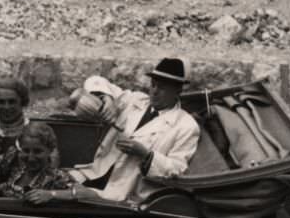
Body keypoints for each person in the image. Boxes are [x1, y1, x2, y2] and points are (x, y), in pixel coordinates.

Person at [67, 57, 200, 202]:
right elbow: (94, 80)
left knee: (70, 198)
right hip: (95, 174)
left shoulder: (186, 126)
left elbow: (177, 171)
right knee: (55, 185)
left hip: (128, 191)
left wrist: (146, 155)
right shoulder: (134, 101)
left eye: (161, 87)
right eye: (153, 85)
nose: (154, 92)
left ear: (177, 90)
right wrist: (108, 99)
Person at [0, 122, 89, 203]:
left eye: (38, 151)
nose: (31, 157)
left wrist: (50, 195)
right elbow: (9, 184)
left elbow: (89, 194)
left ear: (50, 151)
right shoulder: (18, 166)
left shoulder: (56, 176)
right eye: (26, 150)